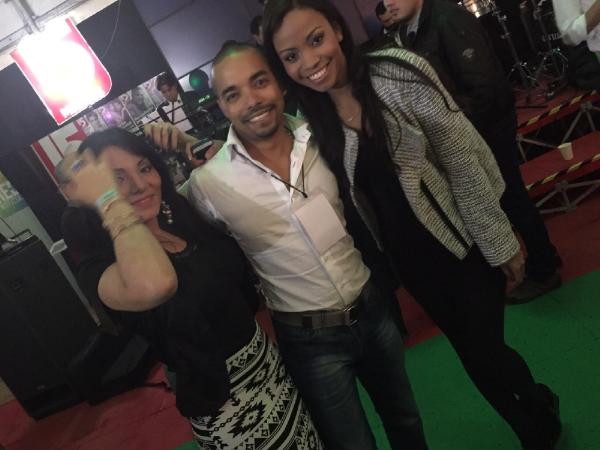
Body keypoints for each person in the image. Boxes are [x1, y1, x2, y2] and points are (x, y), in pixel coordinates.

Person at [261, 1, 561, 449]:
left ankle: (536, 421)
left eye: (315, 39)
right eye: (291, 56)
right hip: (413, 266)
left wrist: (499, 240)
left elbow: (460, 157)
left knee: (485, 351)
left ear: (338, 30)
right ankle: (534, 412)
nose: (309, 61)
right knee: (472, 353)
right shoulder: (313, 124)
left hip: (463, 243)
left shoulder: (396, 71)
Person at [147, 42, 428, 450]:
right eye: (233, 94)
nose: (251, 100)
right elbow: (160, 220)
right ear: (221, 106)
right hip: (309, 340)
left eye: (259, 81)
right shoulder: (209, 183)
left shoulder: (321, 135)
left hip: (371, 308)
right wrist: (150, 156)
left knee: (406, 419)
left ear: (278, 83)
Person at [58, 128, 323, 449]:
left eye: (144, 168)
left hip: (270, 368)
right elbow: (157, 284)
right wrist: (108, 201)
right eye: (118, 178)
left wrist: (187, 142)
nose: (140, 185)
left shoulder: (177, 213)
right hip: (228, 408)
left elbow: (242, 171)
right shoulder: (101, 266)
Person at [382, 0, 561, 303]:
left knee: (511, 197)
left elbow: (483, 87)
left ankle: (544, 267)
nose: (387, 3)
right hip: (469, 128)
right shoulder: (408, 29)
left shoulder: (447, 19)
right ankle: (531, 263)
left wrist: (449, 128)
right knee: (505, 198)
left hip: (487, 126)